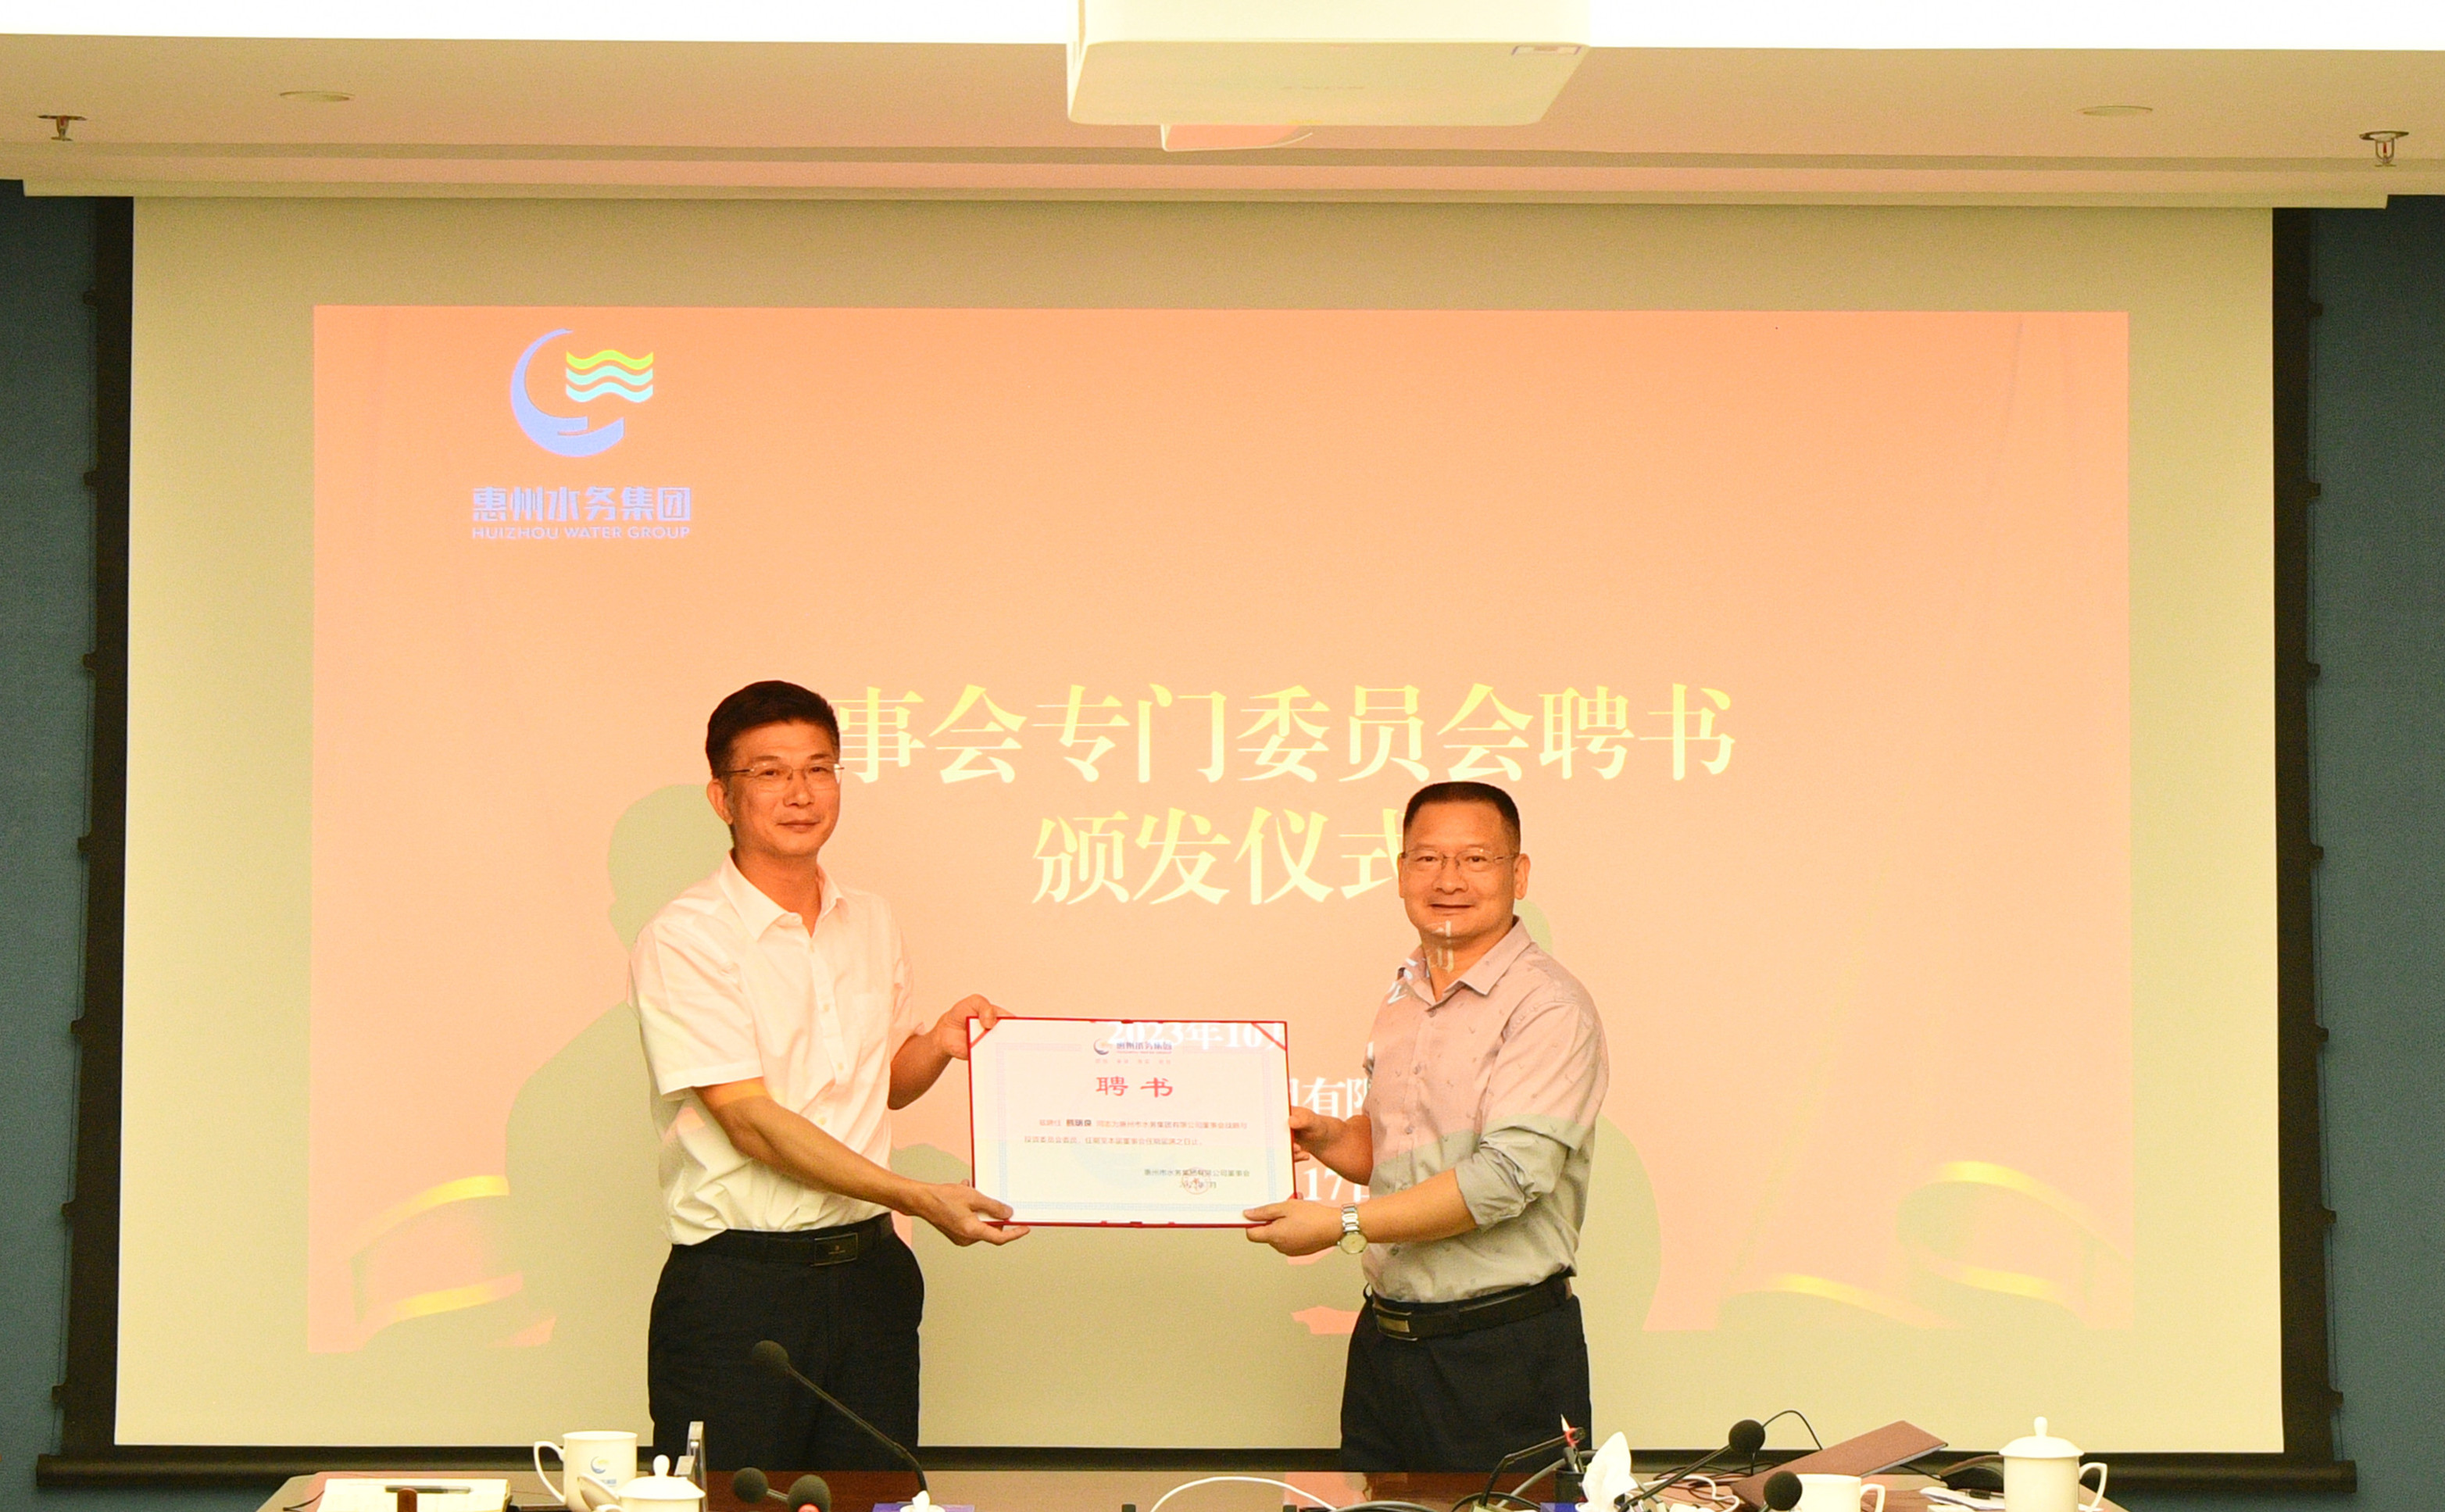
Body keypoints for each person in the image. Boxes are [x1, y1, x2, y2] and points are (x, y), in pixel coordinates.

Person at [631, 680, 1028, 1471]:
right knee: (731, 1500)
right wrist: (918, 1196)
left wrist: (938, 1044)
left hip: (871, 1277)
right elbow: (751, 1122)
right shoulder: (686, 937)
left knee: (873, 1495)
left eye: (819, 768)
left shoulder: (869, 919)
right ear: (722, 797)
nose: (800, 792)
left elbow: (882, 1083)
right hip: (742, 1286)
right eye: (770, 772)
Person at [1245, 781, 1609, 1471]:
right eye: (1427, 858)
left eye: (1474, 858)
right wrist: (1324, 1135)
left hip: (1500, 1352)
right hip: (1385, 1345)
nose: (1447, 880)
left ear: (1518, 873)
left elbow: (1505, 1177)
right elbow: (1400, 1149)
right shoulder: (1404, 994)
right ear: (1400, 871)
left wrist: (1342, 1223)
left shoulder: (1548, 1005)